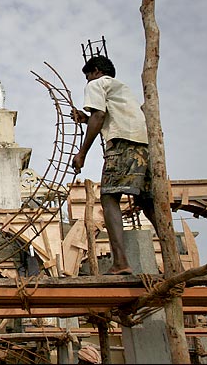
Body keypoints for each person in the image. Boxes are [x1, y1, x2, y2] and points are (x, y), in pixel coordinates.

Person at [71, 55, 158, 276]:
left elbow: (99, 115)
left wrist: (82, 153)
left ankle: (120, 262)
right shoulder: (121, 88)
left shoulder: (96, 84)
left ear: (96, 71)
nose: (87, 80)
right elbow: (104, 115)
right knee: (147, 201)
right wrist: (84, 118)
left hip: (121, 144)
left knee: (109, 198)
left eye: (87, 75)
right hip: (144, 146)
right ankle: (170, 256)